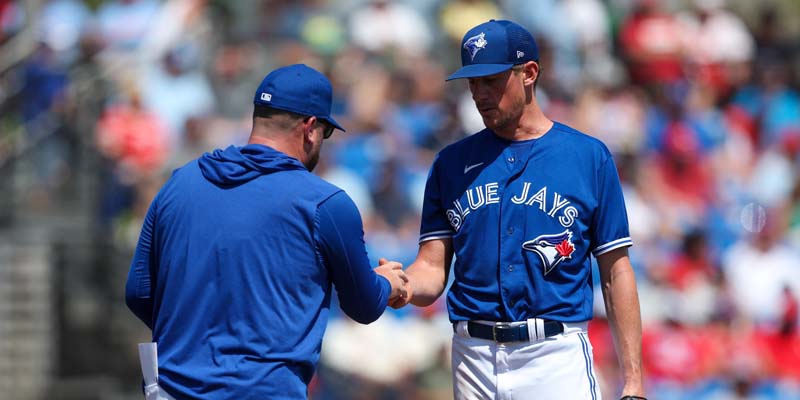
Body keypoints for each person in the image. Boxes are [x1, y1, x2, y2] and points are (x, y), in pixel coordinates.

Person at [389, 20, 646, 399]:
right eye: (473, 83)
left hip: (554, 356)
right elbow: (431, 266)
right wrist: (402, 286)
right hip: (472, 355)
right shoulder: (450, 163)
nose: (479, 94)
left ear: (529, 73)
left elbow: (615, 271)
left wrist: (634, 382)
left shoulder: (587, 157)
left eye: (491, 80)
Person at [125, 63, 408, 399]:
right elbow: (363, 306)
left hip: (172, 389)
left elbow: (139, 293)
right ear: (311, 128)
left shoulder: (178, 184)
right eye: (326, 133)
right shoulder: (325, 203)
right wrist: (386, 282)